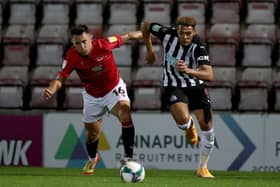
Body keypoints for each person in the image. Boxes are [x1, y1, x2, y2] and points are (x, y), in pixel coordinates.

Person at [42, 24, 142, 175]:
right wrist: (51, 89)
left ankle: (128, 159)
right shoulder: (71, 56)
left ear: (90, 38)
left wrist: (146, 33)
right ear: (73, 43)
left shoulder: (105, 44)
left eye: (84, 41)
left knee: (125, 113)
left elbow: (128, 36)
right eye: (77, 43)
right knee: (92, 134)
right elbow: (60, 79)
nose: (81, 46)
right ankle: (93, 158)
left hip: (113, 90)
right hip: (92, 97)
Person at [142, 16, 215, 178]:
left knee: (207, 126)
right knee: (182, 119)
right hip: (173, 85)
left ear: (194, 32)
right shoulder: (167, 33)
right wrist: (150, 50)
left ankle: (203, 167)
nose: (185, 37)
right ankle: (189, 126)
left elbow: (209, 75)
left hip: (195, 85)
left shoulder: (199, 46)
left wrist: (189, 71)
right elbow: (146, 25)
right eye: (182, 33)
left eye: (188, 33)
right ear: (177, 30)